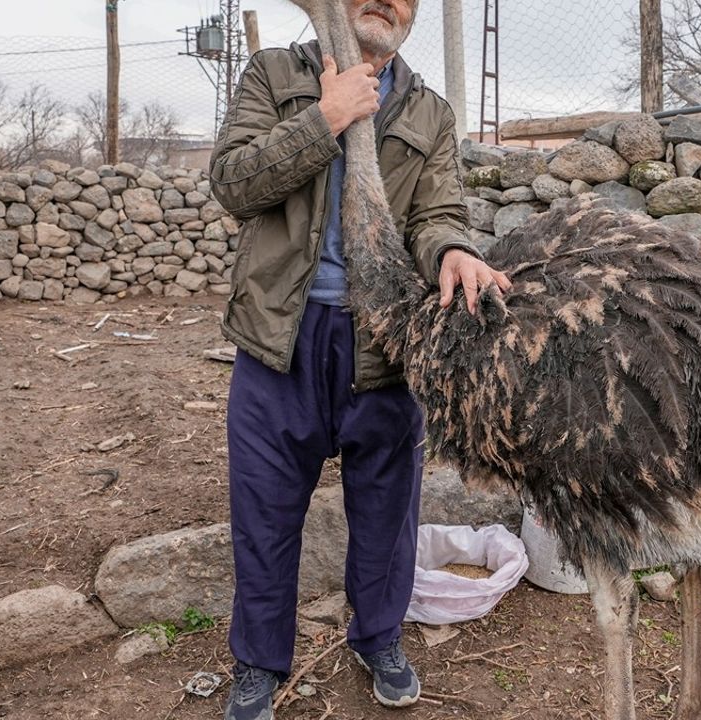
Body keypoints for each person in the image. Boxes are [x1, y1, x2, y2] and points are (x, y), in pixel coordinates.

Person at [208, 0, 510, 717]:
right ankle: (258, 661)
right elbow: (233, 182)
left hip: (384, 345)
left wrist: (454, 250)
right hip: (280, 341)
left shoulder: (428, 111)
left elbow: (439, 214)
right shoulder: (275, 73)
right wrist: (325, 117)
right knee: (265, 511)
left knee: (386, 513)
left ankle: (378, 637)